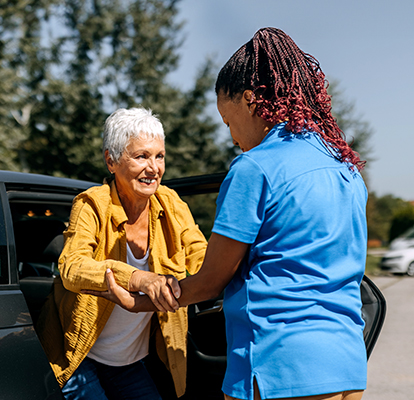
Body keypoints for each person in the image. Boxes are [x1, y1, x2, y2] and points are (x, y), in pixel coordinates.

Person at [87, 28, 368, 400]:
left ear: (251, 101)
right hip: (346, 364)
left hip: (277, 367)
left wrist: (142, 299)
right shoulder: (346, 168)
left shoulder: (255, 168)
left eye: (227, 119)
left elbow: (210, 282)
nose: (233, 136)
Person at [36, 107, 207, 400]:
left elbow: (201, 255)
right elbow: (73, 267)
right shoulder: (91, 204)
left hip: (129, 362)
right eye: (141, 156)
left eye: (159, 156)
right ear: (111, 161)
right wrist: (139, 278)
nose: (153, 168)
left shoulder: (171, 203)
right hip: (78, 354)